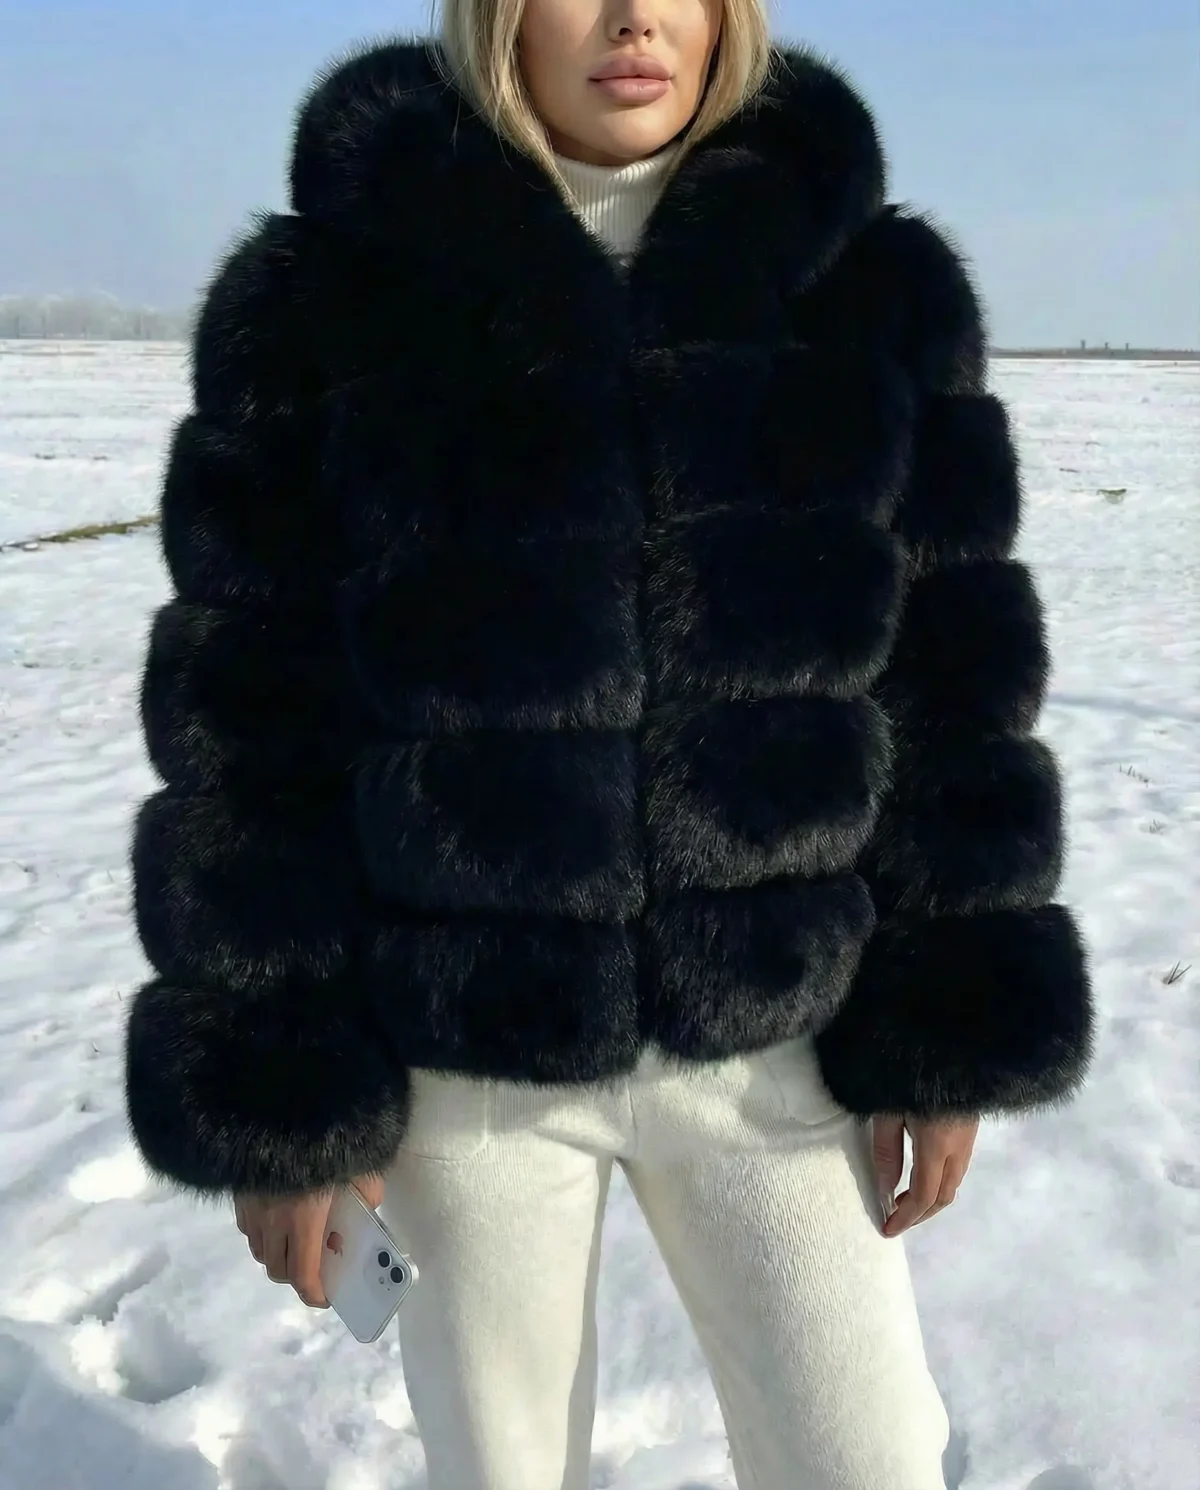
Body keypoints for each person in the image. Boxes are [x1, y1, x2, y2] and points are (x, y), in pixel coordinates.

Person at [123, 0, 1094, 1485]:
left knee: (869, 1454)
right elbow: (248, 723)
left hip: (777, 1027)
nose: (635, 16)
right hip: (469, 1054)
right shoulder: (333, 297)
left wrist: (952, 1017)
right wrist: (282, 1088)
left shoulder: (862, 285)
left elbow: (955, 678)